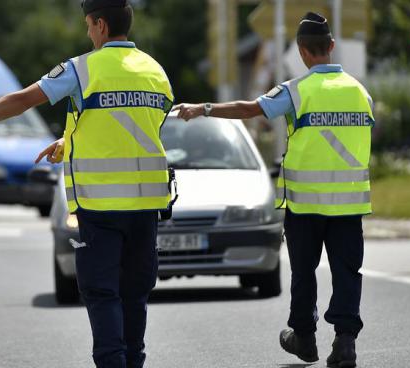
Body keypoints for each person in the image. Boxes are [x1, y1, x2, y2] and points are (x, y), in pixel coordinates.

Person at [0, 1, 174, 367]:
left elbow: (22, 100)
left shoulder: (82, 68)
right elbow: (132, 129)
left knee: (101, 293)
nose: (87, 33)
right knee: (134, 295)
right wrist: (69, 141)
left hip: (100, 208)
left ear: (100, 25)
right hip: (147, 206)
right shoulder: (156, 71)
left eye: (88, 25)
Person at [172, 12, 373, 368]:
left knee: (303, 271)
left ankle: (305, 338)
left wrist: (203, 108)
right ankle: (345, 343)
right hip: (348, 205)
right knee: (347, 272)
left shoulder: (297, 90)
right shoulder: (360, 93)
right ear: (331, 47)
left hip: (305, 204)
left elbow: (250, 109)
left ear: (301, 51)